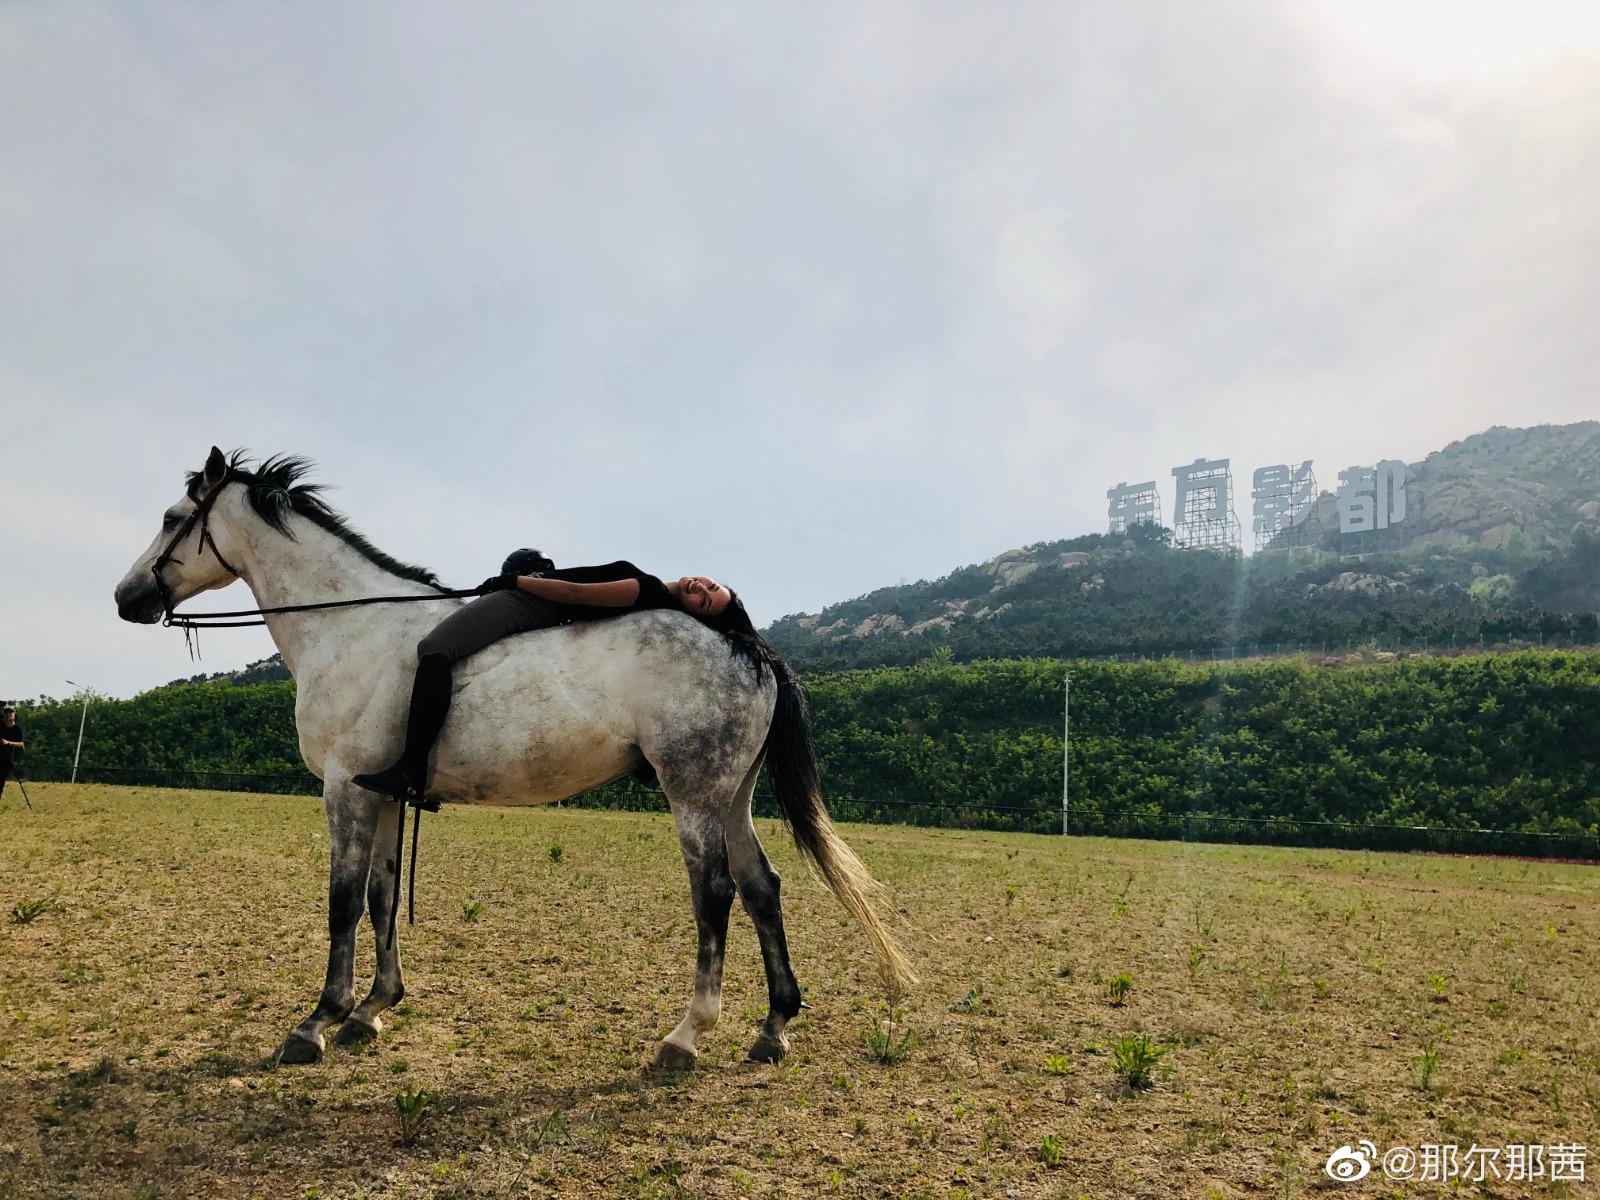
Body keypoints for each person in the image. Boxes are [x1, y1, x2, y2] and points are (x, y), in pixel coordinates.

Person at [352, 549, 755, 801]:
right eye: (710, 586)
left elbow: (574, 593)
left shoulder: (646, 591)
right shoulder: (654, 595)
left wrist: (513, 582)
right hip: (537, 600)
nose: (700, 589)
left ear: (693, 614)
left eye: (704, 603)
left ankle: (410, 767)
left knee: (434, 649)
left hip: (527, 604)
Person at [0, 705, 24, 801]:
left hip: (6, 759)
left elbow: (21, 744)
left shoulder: (17, 730)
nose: (8, 714)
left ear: (14, 715)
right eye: (6, 713)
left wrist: (8, 743)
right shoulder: (1, 727)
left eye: (10, 713)